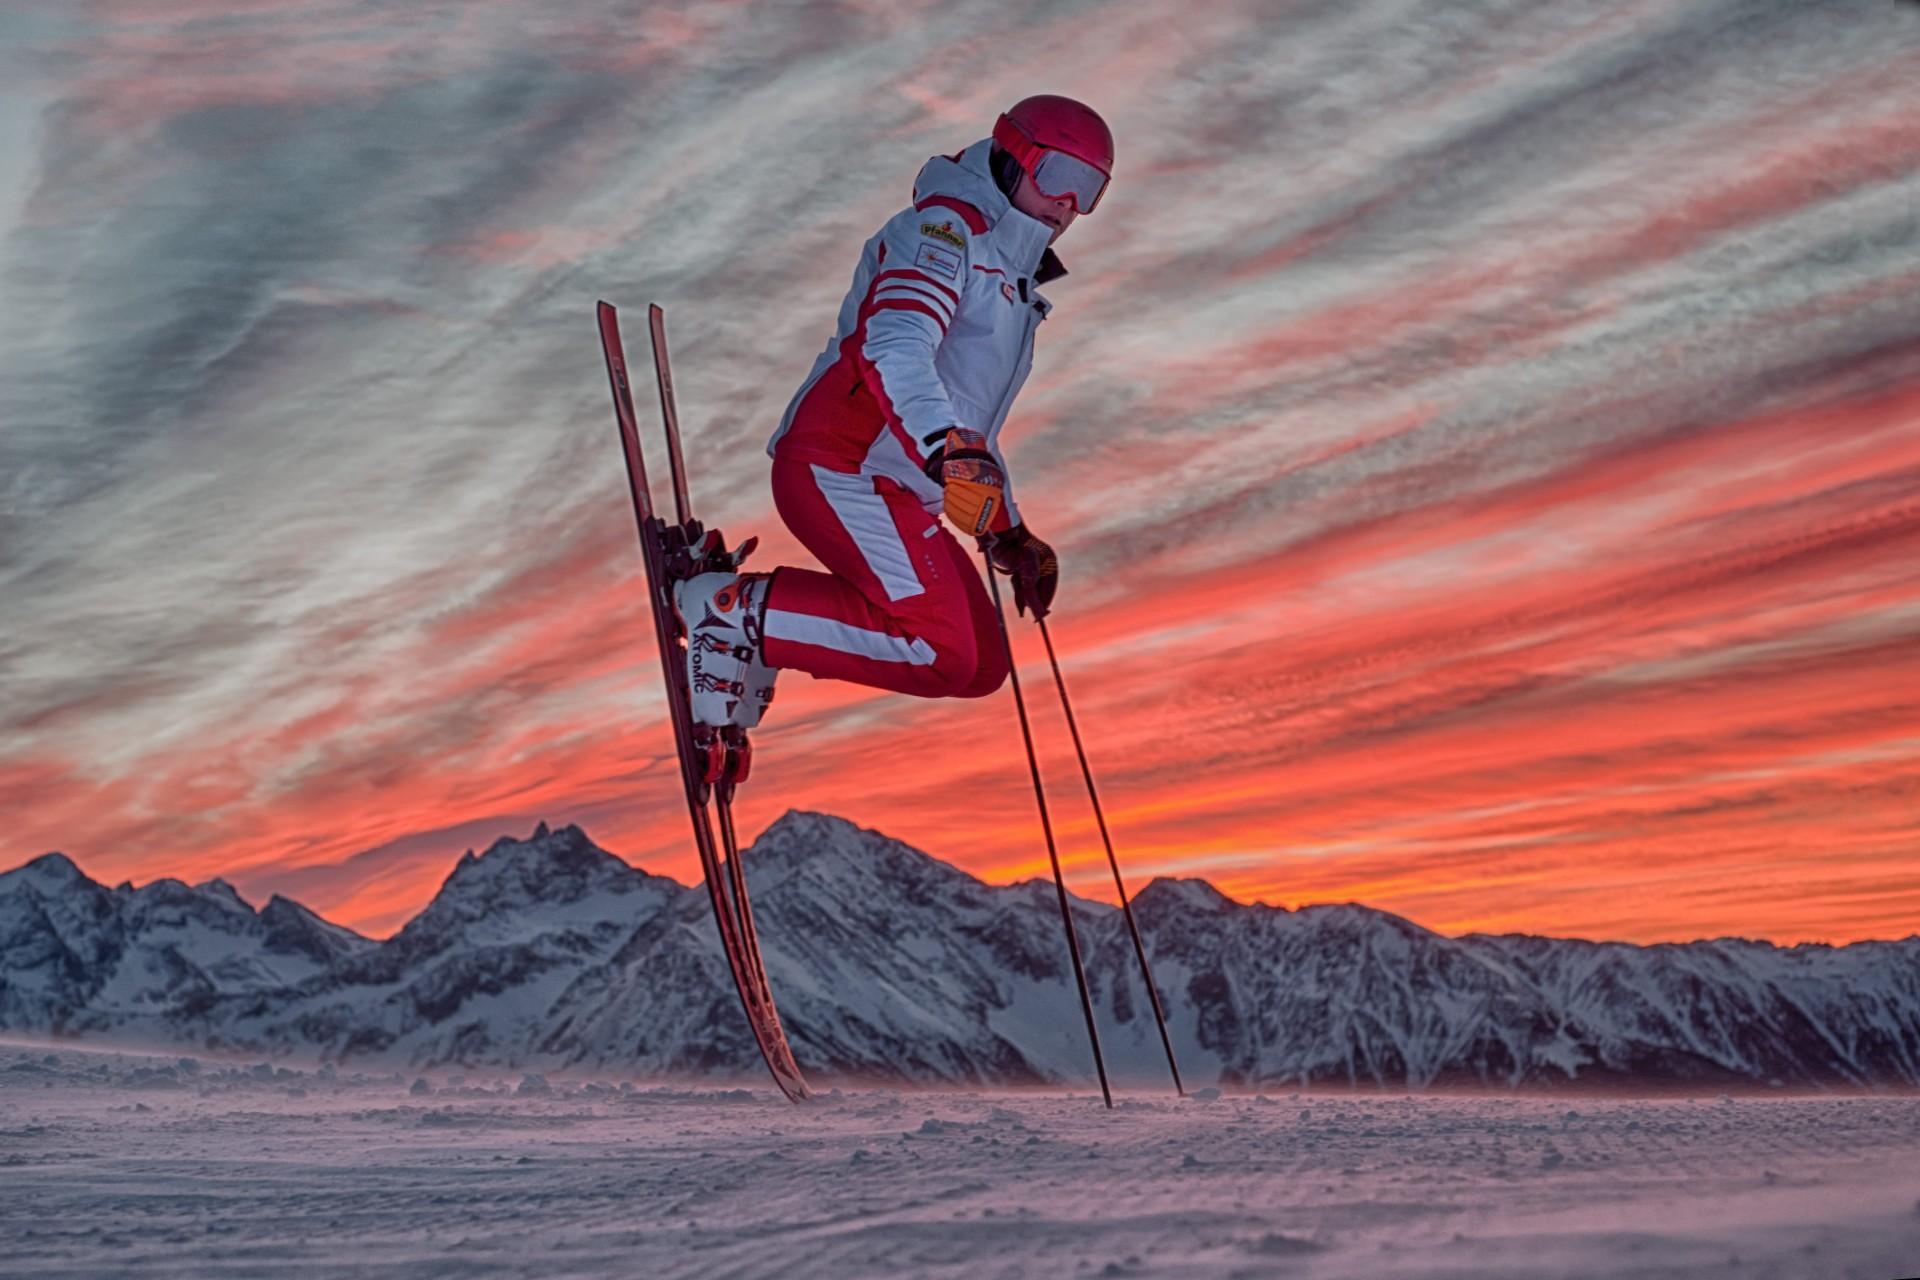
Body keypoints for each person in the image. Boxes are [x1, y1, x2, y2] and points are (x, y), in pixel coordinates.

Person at [675, 94, 1114, 729]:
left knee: (981, 665)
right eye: (1057, 176)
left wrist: (1008, 531)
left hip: (901, 488)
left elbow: (968, 422)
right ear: (1014, 158)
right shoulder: (944, 230)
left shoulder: (1014, 283)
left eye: (1089, 189)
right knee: (941, 651)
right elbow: (896, 343)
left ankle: (762, 631)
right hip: (841, 466)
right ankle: (732, 612)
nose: (1068, 203)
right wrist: (944, 450)